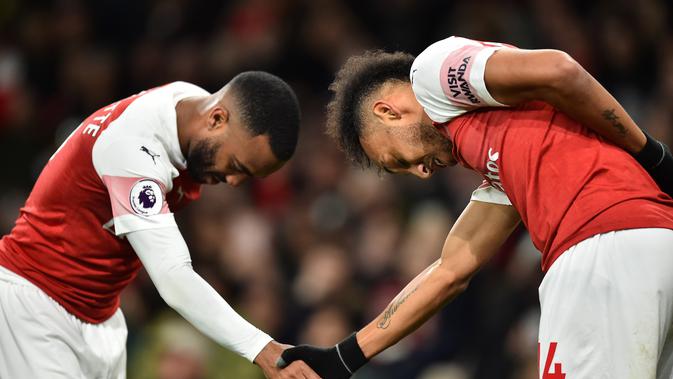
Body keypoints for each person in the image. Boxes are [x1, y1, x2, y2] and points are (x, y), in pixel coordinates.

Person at [278, 36, 673, 378]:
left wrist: (652, 154)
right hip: (657, 245)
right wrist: (344, 357)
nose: (420, 173)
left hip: (600, 253)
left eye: (397, 160)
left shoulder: (429, 75)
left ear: (388, 111)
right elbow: (450, 271)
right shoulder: (509, 154)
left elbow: (559, 69)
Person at [0, 72, 319, 379]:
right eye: (235, 165)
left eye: (248, 175)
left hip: (100, 315)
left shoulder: (188, 109)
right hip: (36, 305)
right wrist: (261, 348)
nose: (235, 181)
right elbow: (172, 275)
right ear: (216, 119)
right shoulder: (134, 150)